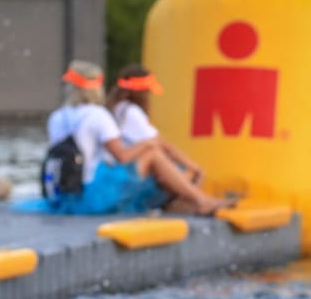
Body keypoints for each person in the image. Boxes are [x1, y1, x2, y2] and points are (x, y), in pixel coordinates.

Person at [19, 60, 226, 216]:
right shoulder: (97, 115)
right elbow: (122, 157)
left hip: (66, 195)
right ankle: (201, 200)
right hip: (91, 195)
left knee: (152, 161)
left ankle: (188, 200)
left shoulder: (58, 116)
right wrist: (147, 143)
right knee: (152, 154)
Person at [107, 63, 205, 188]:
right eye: (147, 92)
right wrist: (195, 168)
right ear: (141, 92)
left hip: (116, 169)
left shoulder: (117, 108)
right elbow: (163, 145)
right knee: (181, 170)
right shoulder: (131, 112)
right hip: (125, 173)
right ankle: (192, 200)